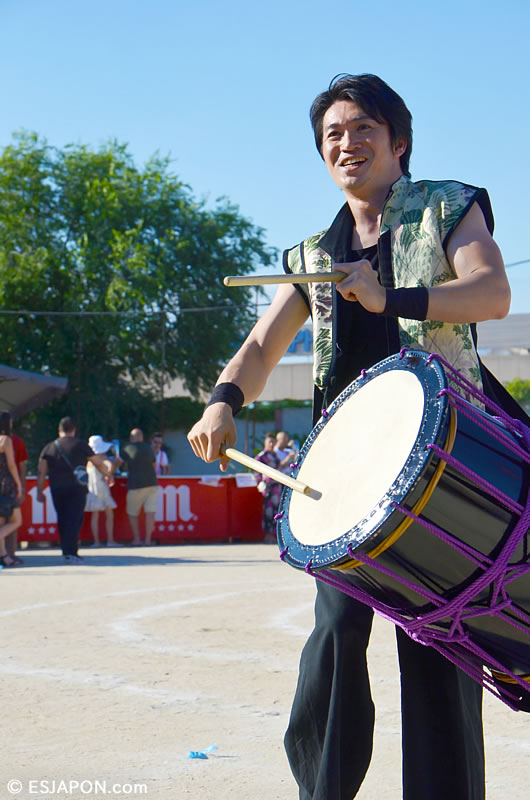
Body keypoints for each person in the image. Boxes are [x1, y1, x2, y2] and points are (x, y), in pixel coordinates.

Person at [188, 73, 530, 800]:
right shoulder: (314, 255)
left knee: (436, 642)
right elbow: (262, 345)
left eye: (364, 128)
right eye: (333, 134)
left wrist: (389, 296)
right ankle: (323, 790)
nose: (348, 143)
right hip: (347, 473)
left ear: (398, 141)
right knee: (337, 632)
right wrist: (222, 402)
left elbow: (493, 292)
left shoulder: (447, 206)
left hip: (442, 457)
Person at [37, 417, 113, 564]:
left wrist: (39, 491)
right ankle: (72, 552)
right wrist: (108, 475)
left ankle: (66, 550)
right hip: (77, 488)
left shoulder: (49, 447)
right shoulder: (81, 445)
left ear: (59, 430)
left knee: (62, 518)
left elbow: (41, 471)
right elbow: (97, 463)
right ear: (74, 430)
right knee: (74, 518)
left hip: (57, 488)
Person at [114, 428, 158, 546]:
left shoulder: (127, 448)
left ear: (131, 438)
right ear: (142, 437)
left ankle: (137, 539)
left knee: (132, 513)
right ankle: (148, 540)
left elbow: (117, 463)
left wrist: (110, 472)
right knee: (150, 512)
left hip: (135, 484)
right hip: (152, 483)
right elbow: (154, 464)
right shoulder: (149, 448)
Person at [0, 411, 28, 566]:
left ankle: (4, 556)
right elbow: (12, 465)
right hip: (5, 484)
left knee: (1, 522)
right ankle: (6, 555)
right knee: (16, 520)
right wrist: (19, 485)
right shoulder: (6, 440)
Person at [85, 435, 119, 547]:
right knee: (109, 514)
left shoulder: (89, 460)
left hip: (92, 489)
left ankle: (96, 542)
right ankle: (110, 540)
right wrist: (109, 475)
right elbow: (111, 465)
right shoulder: (103, 458)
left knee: (95, 515)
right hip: (102, 488)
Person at [255, 432, 283, 543]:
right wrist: (260, 481)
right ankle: (268, 534)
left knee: (277, 510)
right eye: (269, 442)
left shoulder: (275, 456)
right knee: (268, 511)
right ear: (265, 443)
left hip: (277, 487)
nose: (271, 444)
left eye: (273, 442)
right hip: (268, 488)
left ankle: (275, 534)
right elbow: (256, 469)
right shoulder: (262, 456)